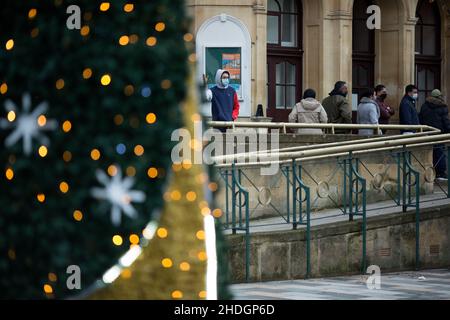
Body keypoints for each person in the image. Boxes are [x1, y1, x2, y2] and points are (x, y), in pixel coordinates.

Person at [419, 89, 450, 181]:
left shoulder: (424, 106)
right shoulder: (442, 107)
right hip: (439, 133)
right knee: (440, 153)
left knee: (430, 153)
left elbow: (421, 118)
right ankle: (440, 173)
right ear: (439, 96)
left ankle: (430, 173)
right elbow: (446, 121)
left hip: (428, 133)